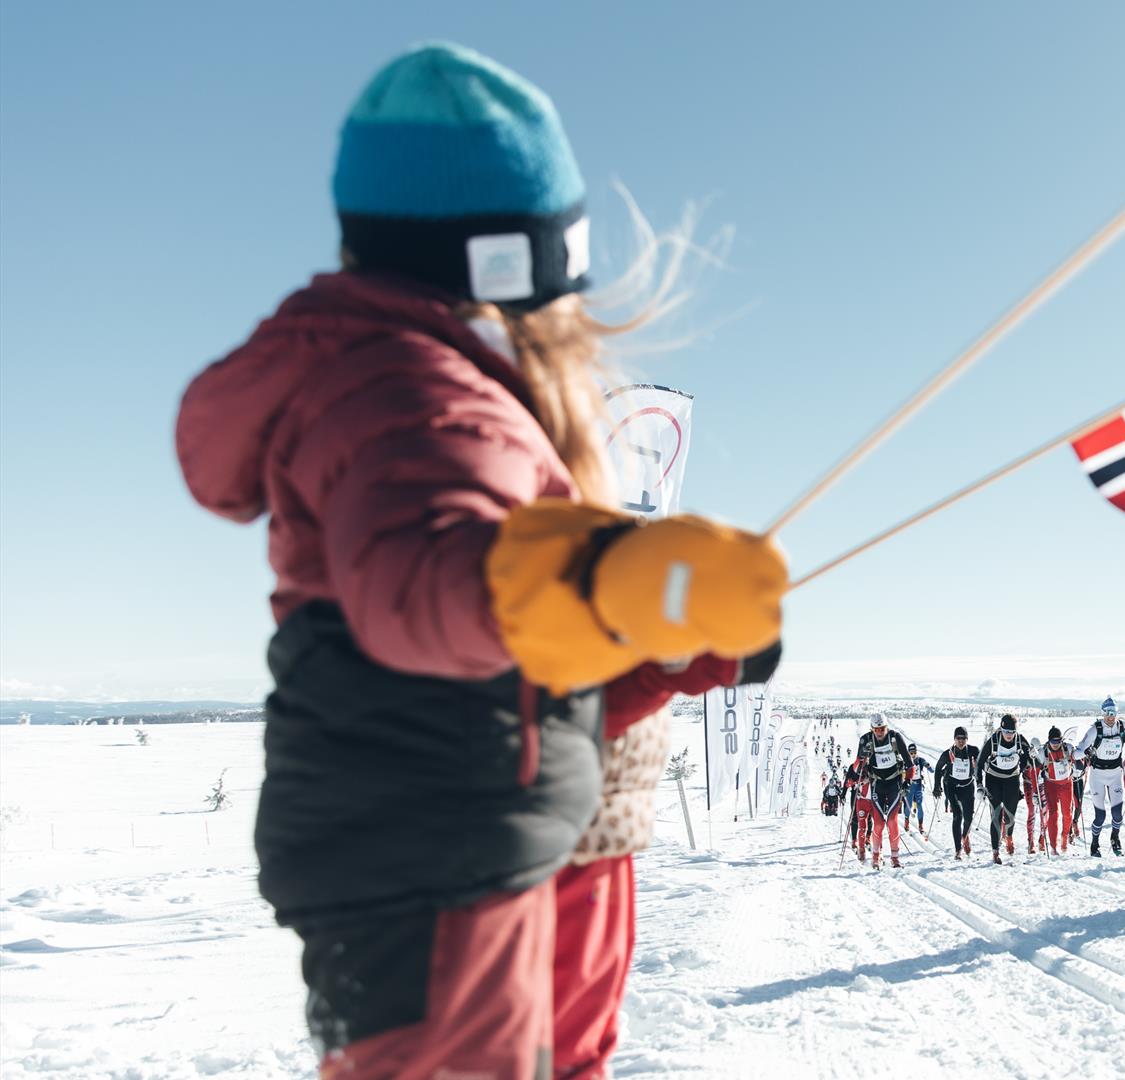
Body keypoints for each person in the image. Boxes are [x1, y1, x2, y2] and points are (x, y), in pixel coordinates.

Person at [173, 43, 785, 1078]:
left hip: (445, 854)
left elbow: (506, 675)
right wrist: (614, 579)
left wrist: (672, 652)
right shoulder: (414, 397)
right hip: (433, 866)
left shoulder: (423, 384)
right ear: (508, 263)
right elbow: (427, 585)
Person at [1075, 698, 1125, 857]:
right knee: (1100, 816)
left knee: (1117, 814)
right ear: (1102, 713)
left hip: (1115, 774)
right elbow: (1077, 751)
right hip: (1098, 776)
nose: (1110, 716)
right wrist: (1085, 753)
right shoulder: (1095, 729)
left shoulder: (1124, 727)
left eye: (1113, 712)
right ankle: (1095, 844)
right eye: (1107, 713)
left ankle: (1115, 839)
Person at [856, 714, 914, 868]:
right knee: (879, 823)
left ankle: (895, 857)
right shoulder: (866, 740)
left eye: (882, 729)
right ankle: (876, 856)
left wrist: (907, 781)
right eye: (876, 729)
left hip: (894, 783)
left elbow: (910, 763)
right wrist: (862, 758)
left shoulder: (895, 738)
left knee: (892, 821)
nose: (880, 732)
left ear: (887, 727)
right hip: (878, 784)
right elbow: (857, 767)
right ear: (872, 729)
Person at [978, 715, 1037, 864]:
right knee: (996, 815)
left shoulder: (1019, 739)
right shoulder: (993, 741)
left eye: (1012, 731)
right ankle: (995, 851)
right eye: (1006, 731)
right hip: (994, 779)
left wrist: (1031, 758)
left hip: (1012, 780)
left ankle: (1009, 836)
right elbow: (979, 763)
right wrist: (979, 785)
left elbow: (1030, 757)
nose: (1009, 735)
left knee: (1010, 816)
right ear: (1001, 729)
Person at [933, 726, 981, 859]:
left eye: (963, 738)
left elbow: (982, 764)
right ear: (954, 739)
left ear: (967, 739)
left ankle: (964, 836)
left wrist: (981, 778)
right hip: (952, 786)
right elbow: (938, 769)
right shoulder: (948, 753)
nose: (961, 741)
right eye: (958, 738)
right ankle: (958, 850)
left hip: (967, 786)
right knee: (957, 816)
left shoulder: (973, 751)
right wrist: (937, 786)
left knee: (968, 818)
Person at [1037, 727, 1077, 854]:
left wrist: (1082, 762)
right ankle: (1053, 847)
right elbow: (1035, 768)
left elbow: (1079, 759)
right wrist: (1034, 790)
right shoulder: (1043, 752)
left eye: (1058, 741)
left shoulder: (1068, 748)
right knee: (1053, 814)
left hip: (1066, 783)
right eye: (1053, 742)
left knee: (1067, 813)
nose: (1055, 744)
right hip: (1051, 785)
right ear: (1048, 741)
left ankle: (1065, 836)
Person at [905, 742, 933, 837]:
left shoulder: (920, 760)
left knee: (920, 805)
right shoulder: (906, 761)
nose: (912, 755)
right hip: (909, 785)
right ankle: (906, 822)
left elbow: (931, 769)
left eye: (914, 753)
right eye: (911, 753)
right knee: (908, 805)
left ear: (916, 752)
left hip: (918, 785)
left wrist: (928, 766)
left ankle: (921, 825)